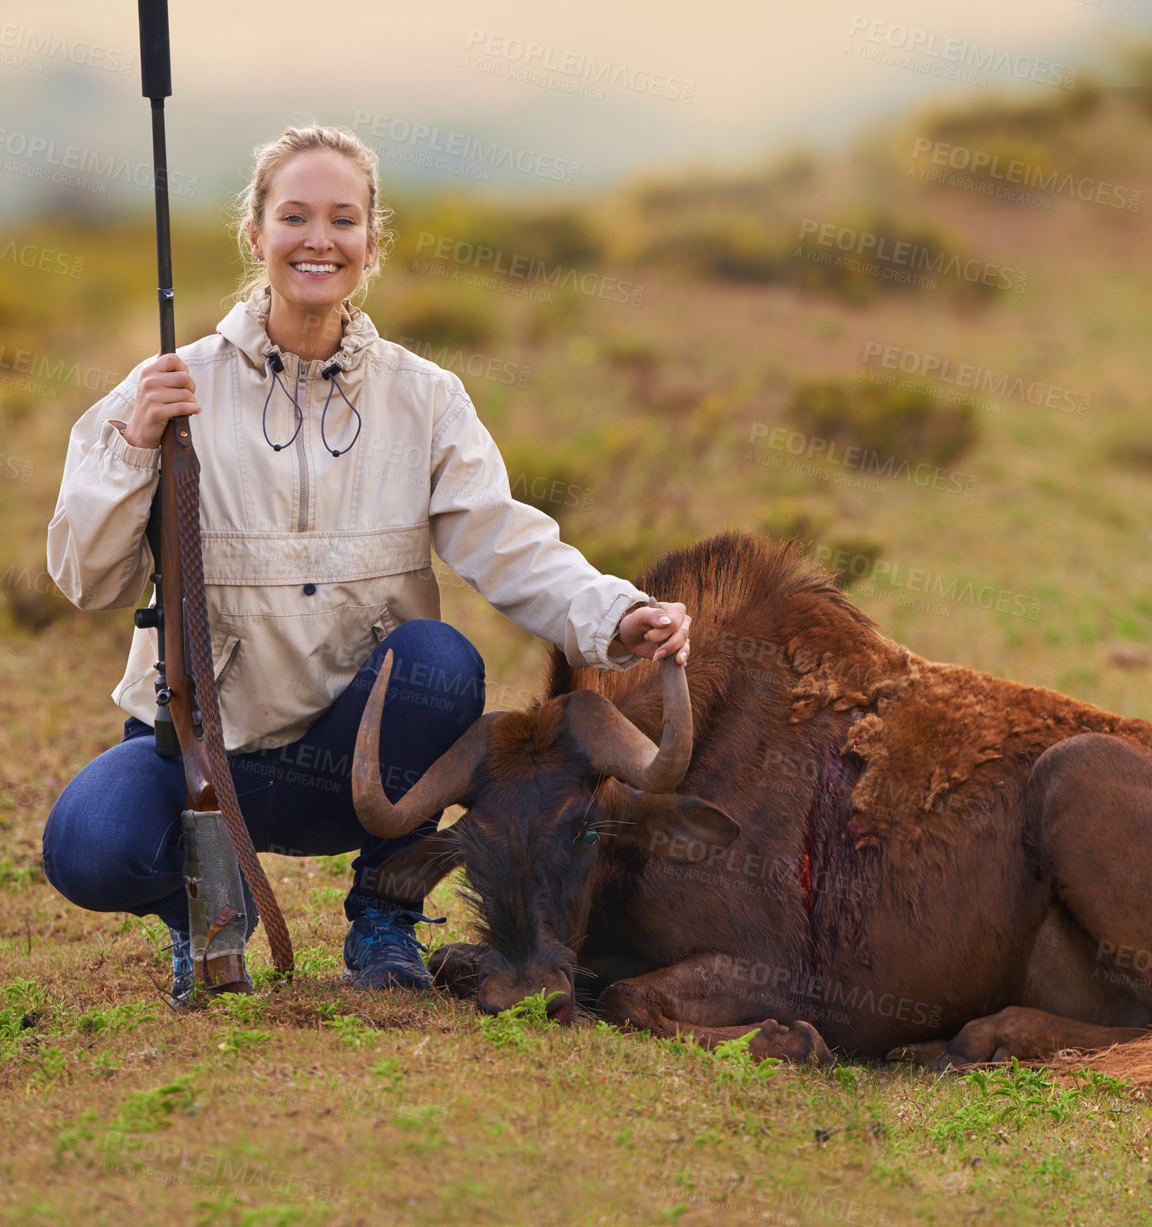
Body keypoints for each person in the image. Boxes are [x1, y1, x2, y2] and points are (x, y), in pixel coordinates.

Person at [41, 124, 689, 1003]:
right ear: (255, 233)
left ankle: (383, 921)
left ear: (371, 241)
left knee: (441, 661)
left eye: (343, 219)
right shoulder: (168, 388)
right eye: (295, 216)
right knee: (85, 845)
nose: (319, 239)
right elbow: (87, 579)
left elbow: (505, 539)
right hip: (200, 747)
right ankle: (199, 905)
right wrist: (132, 445)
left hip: (361, 765)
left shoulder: (424, 396)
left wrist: (613, 616)